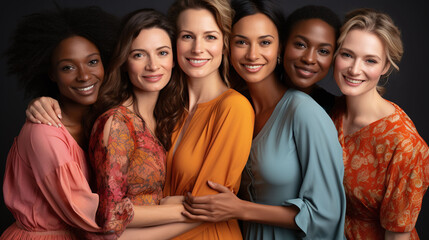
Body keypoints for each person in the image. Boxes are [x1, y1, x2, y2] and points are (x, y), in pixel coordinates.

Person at [181, 0, 346, 239]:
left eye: (265, 42)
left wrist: (241, 209)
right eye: (241, 42)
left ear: (280, 48)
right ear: (227, 46)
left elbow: (326, 217)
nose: (252, 54)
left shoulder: (304, 112)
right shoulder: (235, 108)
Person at [1, 6, 118, 239]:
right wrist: (181, 214)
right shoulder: (43, 132)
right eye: (68, 67)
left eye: (92, 62)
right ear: (52, 74)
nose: (84, 76)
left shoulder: (106, 121)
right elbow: (90, 214)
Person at [87, 9, 192, 239]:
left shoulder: (166, 117)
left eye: (162, 53)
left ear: (174, 59)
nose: (153, 65)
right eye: (139, 55)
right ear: (124, 62)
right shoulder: (117, 123)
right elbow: (111, 218)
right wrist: (185, 213)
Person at [331, 8, 429, 240]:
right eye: (347, 55)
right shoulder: (330, 111)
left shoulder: (405, 145)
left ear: (385, 67)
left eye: (370, 60)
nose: (354, 69)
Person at [161, 0, 255, 239]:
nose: (197, 48)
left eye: (210, 37)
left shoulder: (234, 107)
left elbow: (207, 208)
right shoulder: (167, 106)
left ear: (225, 45)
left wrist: (123, 234)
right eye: (187, 36)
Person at [282, 5, 341, 113]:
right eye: (301, 45)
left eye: (323, 51)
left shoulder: (336, 111)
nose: (309, 59)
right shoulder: (251, 97)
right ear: (283, 44)